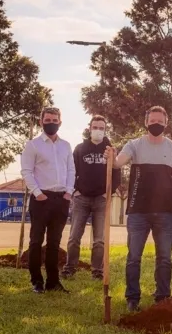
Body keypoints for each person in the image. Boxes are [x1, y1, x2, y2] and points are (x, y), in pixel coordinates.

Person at [105, 106, 172, 312]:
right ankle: (132, 298)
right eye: (152, 121)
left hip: (166, 212)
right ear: (146, 122)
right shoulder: (134, 145)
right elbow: (117, 164)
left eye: (160, 122)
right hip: (138, 211)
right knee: (134, 256)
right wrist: (111, 156)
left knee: (164, 257)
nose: (156, 125)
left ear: (166, 123)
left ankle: (162, 297)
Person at [20, 106, 76, 294]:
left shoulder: (66, 146)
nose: (51, 123)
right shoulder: (33, 145)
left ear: (60, 122)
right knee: (36, 241)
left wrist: (69, 192)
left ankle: (53, 281)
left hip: (61, 199)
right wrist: (37, 193)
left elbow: (71, 170)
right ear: (41, 121)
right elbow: (26, 171)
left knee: (54, 243)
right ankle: (37, 281)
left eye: (54, 120)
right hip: (41, 199)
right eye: (48, 120)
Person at [63, 114, 121, 280]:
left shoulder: (110, 150)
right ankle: (70, 267)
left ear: (105, 130)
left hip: (101, 200)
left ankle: (97, 271)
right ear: (89, 128)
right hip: (81, 199)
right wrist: (75, 190)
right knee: (74, 237)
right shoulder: (80, 149)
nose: (98, 130)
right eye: (95, 127)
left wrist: (108, 193)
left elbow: (116, 174)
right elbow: (71, 171)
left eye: (101, 128)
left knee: (99, 240)